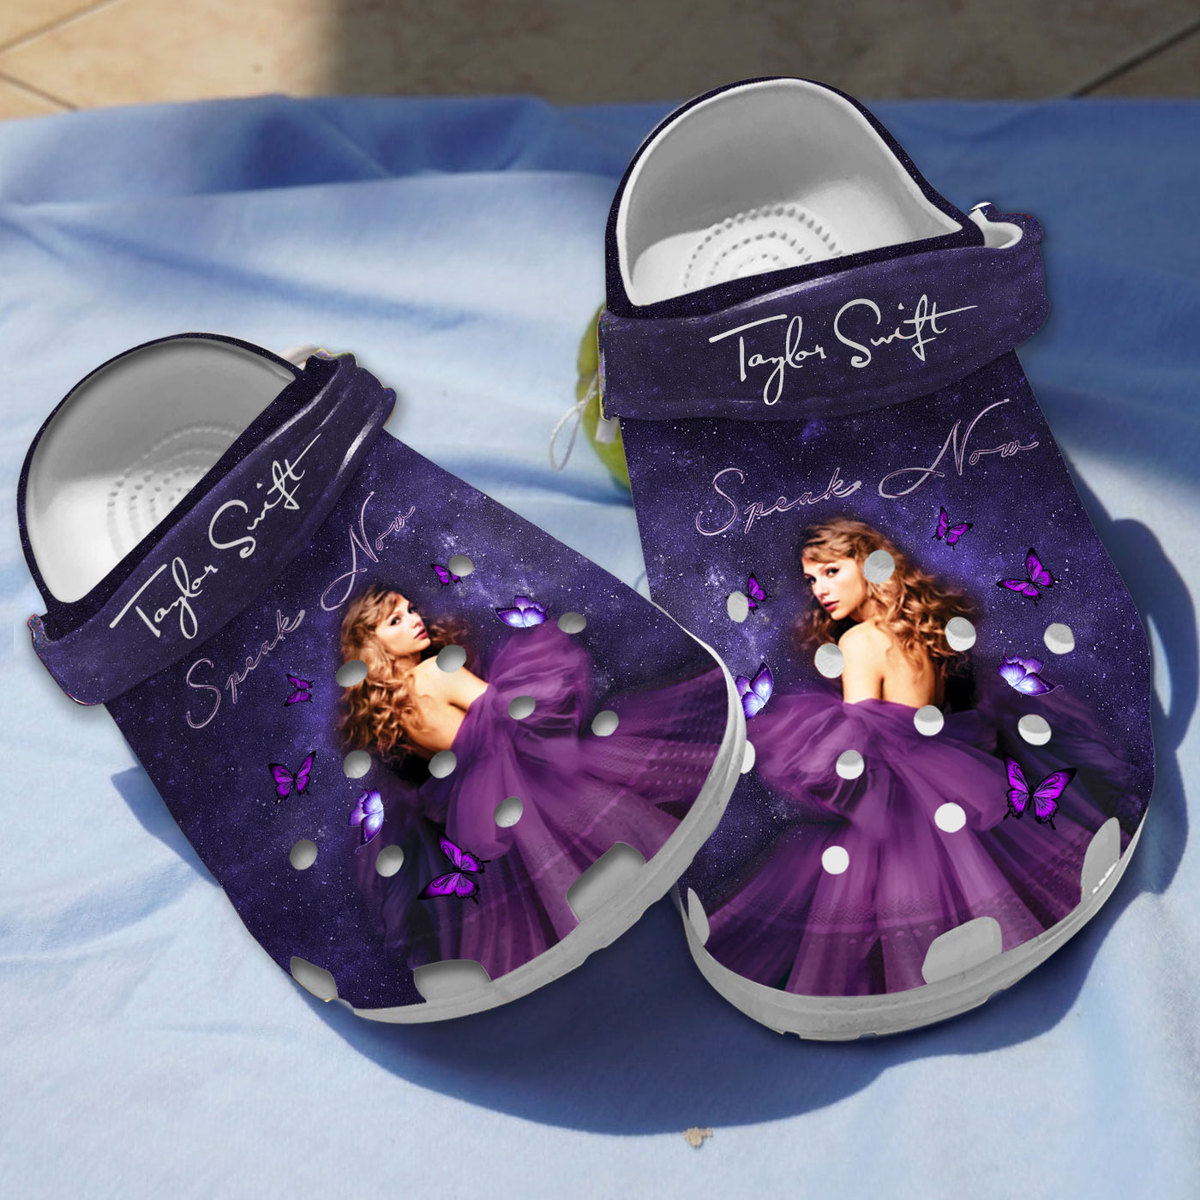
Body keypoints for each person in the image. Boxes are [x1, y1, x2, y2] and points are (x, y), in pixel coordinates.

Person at [702, 518, 1139, 998]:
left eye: (831, 571)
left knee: (875, 895)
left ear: (869, 564)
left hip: (903, 788)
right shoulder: (917, 630)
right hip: (954, 768)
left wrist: (805, 756)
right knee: (983, 879)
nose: (820, 590)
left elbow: (857, 739)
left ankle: (927, 984)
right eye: (811, 579)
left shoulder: (857, 640)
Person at [338, 584, 726, 981]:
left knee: (531, 894)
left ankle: (603, 967)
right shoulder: (435, 672)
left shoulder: (392, 712)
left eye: (410, 609)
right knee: (616, 830)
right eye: (395, 620)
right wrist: (545, 684)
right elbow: (505, 710)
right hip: (516, 775)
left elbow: (452, 757)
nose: (415, 619)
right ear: (372, 644)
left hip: (472, 806)